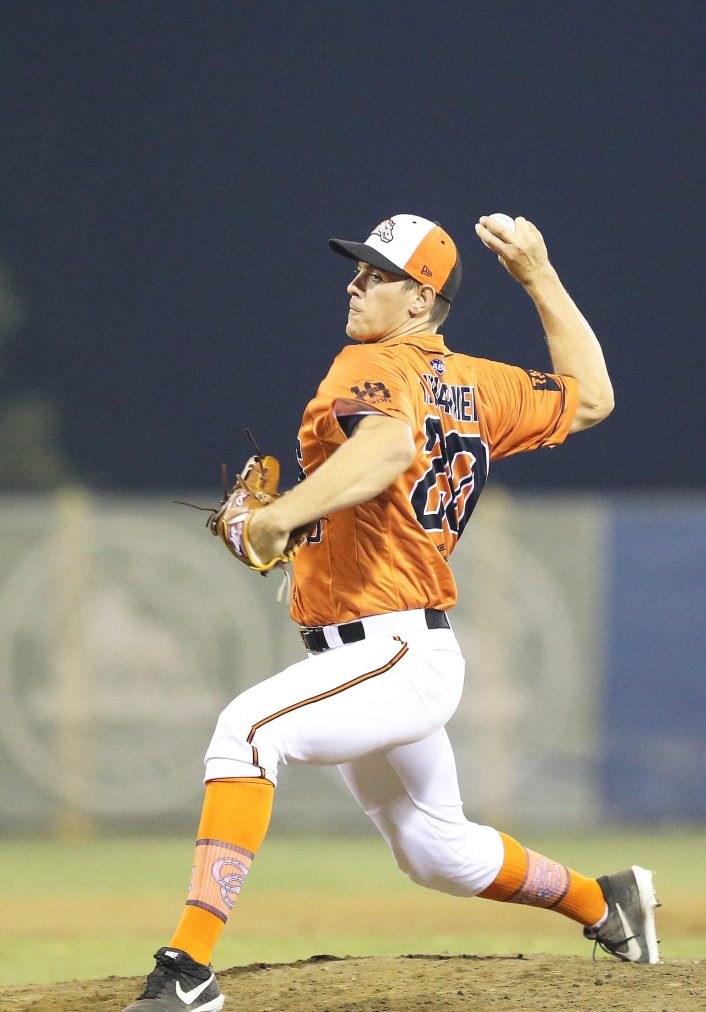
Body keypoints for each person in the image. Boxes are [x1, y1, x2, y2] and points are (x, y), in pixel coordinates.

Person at [124, 212, 660, 1010]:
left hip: (392, 652)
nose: (355, 282)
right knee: (438, 854)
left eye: (376, 274)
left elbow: (387, 448)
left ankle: (188, 970)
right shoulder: (481, 384)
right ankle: (606, 902)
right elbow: (592, 400)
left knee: (247, 730)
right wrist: (539, 277)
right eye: (360, 268)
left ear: (420, 300)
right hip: (385, 655)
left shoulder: (366, 365)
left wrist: (276, 519)